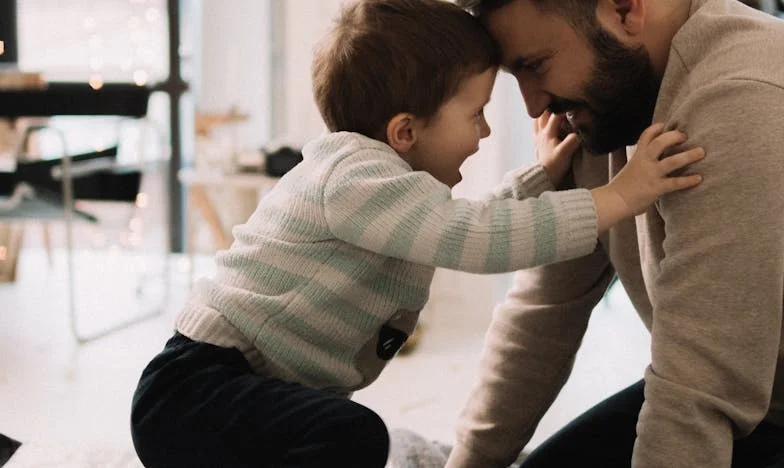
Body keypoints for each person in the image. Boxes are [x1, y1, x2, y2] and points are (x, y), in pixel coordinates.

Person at [129, 0, 704, 466]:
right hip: (196, 392)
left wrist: (542, 177)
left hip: (236, 391)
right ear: (405, 130)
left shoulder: (388, 189)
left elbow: (469, 222)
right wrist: (618, 197)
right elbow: (476, 236)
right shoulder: (354, 177)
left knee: (342, 436)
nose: (483, 132)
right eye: (475, 113)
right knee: (351, 438)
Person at [446, 1, 784, 467]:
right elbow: (543, 314)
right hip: (745, 402)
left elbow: (700, 389)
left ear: (626, 9)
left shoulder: (741, 98)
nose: (532, 105)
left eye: (535, 66)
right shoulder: (602, 109)